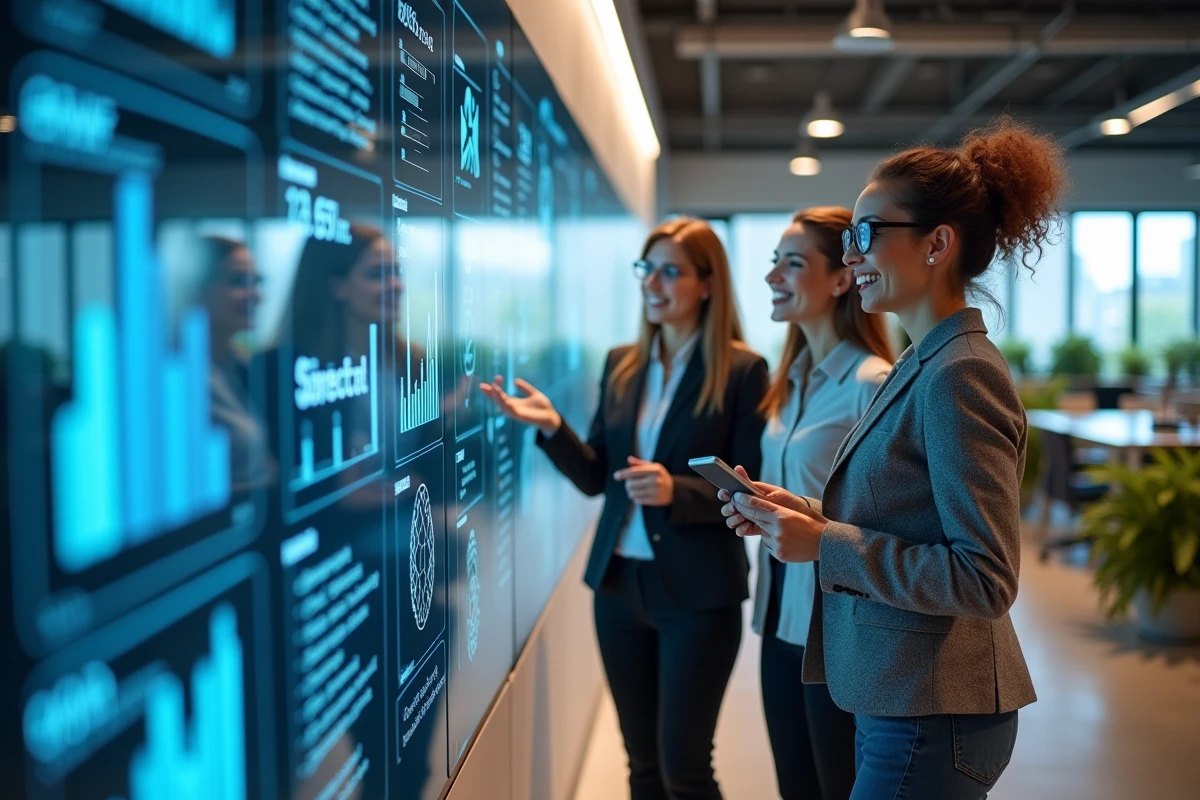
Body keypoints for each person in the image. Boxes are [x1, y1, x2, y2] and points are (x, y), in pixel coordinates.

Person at [720, 119, 1066, 799]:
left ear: (938, 243)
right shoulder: (922, 362)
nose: (853, 257)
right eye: (850, 238)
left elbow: (985, 578)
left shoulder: (960, 373)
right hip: (903, 695)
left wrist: (825, 543)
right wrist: (808, 516)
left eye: (867, 233)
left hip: (934, 710)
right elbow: (911, 519)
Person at [480, 217, 768, 800]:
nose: (652, 284)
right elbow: (595, 478)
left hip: (698, 595)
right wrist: (553, 427)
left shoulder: (742, 370)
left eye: (671, 271)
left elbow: (752, 491)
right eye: (646, 269)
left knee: (684, 768)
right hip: (618, 589)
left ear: (706, 284)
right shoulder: (622, 364)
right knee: (639, 765)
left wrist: (676, 492)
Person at [752, 208, 893, 800]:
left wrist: (811, 520)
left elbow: (888, 521)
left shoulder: (872, 381)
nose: (772, 278)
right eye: (773, 263)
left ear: (841, 279)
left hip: (836, 631)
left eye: (793, 264)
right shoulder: (790, 380)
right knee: (794, 788)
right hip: (777, 619)